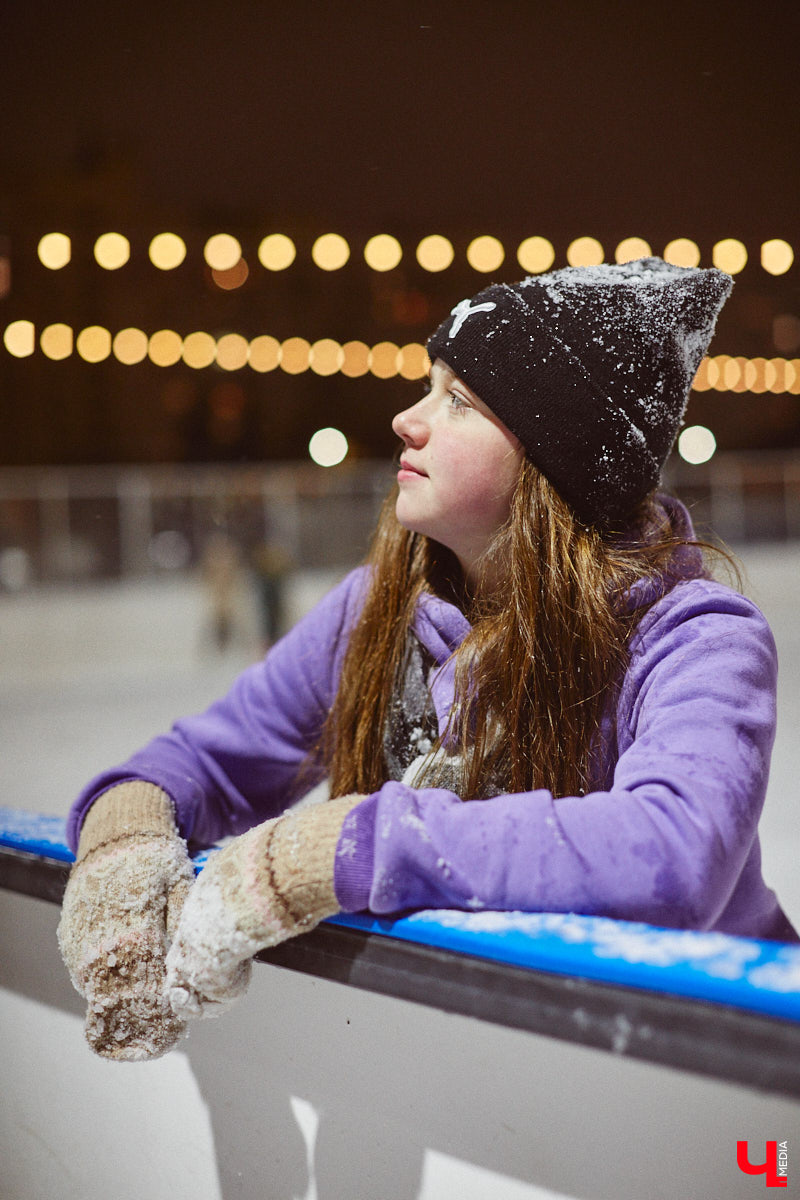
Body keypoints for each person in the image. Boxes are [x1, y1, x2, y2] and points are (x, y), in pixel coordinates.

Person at [58, 257, 798, 1063]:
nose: (409, 421)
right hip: (497, 1074)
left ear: (558, 460)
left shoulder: (694, 637)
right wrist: (123, 832)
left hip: (716, 1072)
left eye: (459, 402)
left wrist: (351, 848)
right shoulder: (375, 609)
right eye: (427, 386)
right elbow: (211, 758)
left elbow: (673, 855)